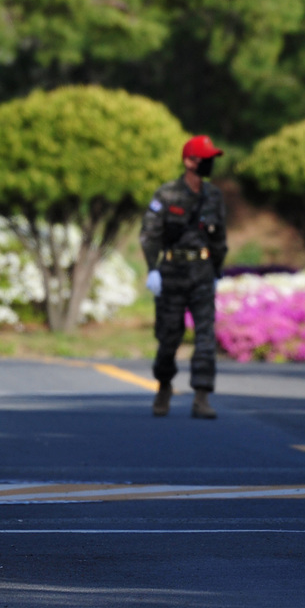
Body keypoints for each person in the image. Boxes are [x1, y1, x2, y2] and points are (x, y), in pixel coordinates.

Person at [139, 134, 229, 419]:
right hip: (172, 273)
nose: (210, 164)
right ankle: (164, 386)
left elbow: (220, 238)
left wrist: (216, 270)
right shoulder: (166, 195)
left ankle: (202, 397)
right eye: (206, 159)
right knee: (168, 337)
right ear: (189, 161)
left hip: (201, 273)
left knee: (205, 337)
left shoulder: (213, 196)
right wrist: (153, 268)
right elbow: (150, 235)